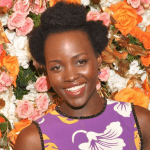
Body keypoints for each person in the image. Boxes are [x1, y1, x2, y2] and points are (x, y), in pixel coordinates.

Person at [14, 1, 150, 150]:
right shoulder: (33, 141)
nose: (71, 76)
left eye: (80, 62)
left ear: (98, 59)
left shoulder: (140, 123)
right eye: (57, 67)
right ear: (47, 72)